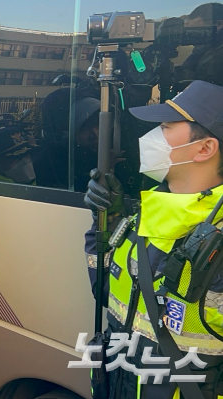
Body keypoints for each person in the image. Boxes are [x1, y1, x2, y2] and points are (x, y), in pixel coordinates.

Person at [84, 80, 223, 399]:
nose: (150, 138)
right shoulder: (141, 218)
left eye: (165, 127)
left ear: (204, 148)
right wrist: (105, 222)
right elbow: (104, 291)